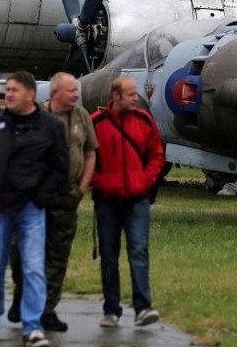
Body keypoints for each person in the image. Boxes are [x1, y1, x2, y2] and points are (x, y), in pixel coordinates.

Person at [0, 71, 68, 347]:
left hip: (31, 209)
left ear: (30, 95)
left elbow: (59, 168)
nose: (9, 94)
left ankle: (32, 328)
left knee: (34, 267)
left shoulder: (50, 126)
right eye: (7, 89)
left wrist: (40, 199)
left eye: (14, 90)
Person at [8, 72, 97, 332]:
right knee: (21, 251)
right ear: (55, 92)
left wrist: (81, 188)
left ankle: (47, 309)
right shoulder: (34, 116)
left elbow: (90, 153)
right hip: (34, 196)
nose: (76, 94)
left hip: (66, 196)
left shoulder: (82, 116)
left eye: (76, 90)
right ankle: (20, 297)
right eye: (71, 90)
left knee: (58, 255)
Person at [90, 76, 165, 328]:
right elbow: (86, 158)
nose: (136, 98)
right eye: (131, 94)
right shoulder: (97, 123)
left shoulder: (144, 120)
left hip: (137, 199)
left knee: (139, 251)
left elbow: (157, 155)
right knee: (109, 256)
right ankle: (111, 310)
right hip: (107, 201)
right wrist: (99, 182)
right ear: (116, 96)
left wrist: (144, 181)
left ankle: (143, 308)